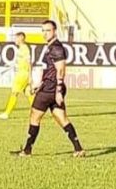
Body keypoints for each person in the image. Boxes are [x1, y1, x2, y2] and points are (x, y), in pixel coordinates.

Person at [18, 20, 85, 157]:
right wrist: (40, 84)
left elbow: (61, 70)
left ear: (54, 31)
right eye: (43, 30)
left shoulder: (56, 48)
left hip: (50, 89)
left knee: (34, 117)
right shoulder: (51, 47)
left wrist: (59, 90)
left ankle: (27, 150)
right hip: (49, 87)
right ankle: (78, 149)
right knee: (62, 118)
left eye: (48, 30)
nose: (45, 33)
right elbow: (50, 70)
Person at [0, 32, 35, 119]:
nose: (15, 40)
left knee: (14, 92)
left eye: (16, 38)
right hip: (23, 73)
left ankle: (6, 113)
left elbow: (29, 63)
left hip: (22, 74)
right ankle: (37, 112)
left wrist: (30, 76)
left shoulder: (24, 49)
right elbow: (19, 62)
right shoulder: (21, 48)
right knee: (29, 94)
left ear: (21, 38)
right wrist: (9, 68)